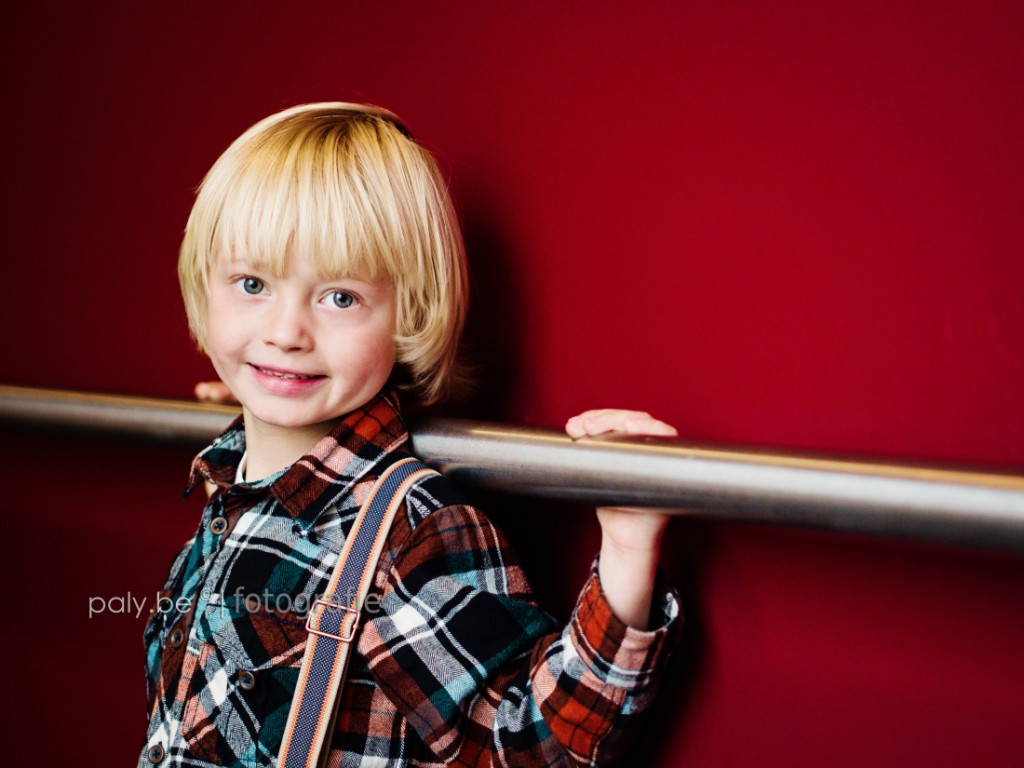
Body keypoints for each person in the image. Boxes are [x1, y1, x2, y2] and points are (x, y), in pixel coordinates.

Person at [142, 102, 682, 768]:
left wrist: (626, 550)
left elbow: (529, 747)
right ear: (205, 287)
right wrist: (263, 406)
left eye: (340, 298)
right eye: (252, 284)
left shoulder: (410, 531)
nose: (285, 334)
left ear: (409, 315)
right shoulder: (235, 480)